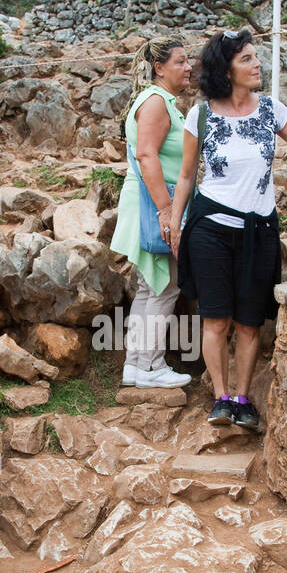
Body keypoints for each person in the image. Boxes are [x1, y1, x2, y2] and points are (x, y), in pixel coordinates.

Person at [168, 29, 287, 429]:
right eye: (247, 59)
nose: (257, 65)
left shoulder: (270, 110)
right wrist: (175, 221)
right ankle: (221, 398)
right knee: (216, 320)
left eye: (257, 58)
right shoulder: (200, 115)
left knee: (250, 322)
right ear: (227, 69)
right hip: (211, 229)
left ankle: (243, 398)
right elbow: (186, 177)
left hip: (259, 230)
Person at [109, 36, 194, 390]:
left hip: (146, 201)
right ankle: (150, 365)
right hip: (153, 203)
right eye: (180, 62)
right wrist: (166, 212)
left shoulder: (162, 101)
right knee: (165, 286)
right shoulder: (157, 102)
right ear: (159, 68)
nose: (189, 67)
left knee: (151, 285)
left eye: (188, 61)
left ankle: (136, 365)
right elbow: (147, 155)